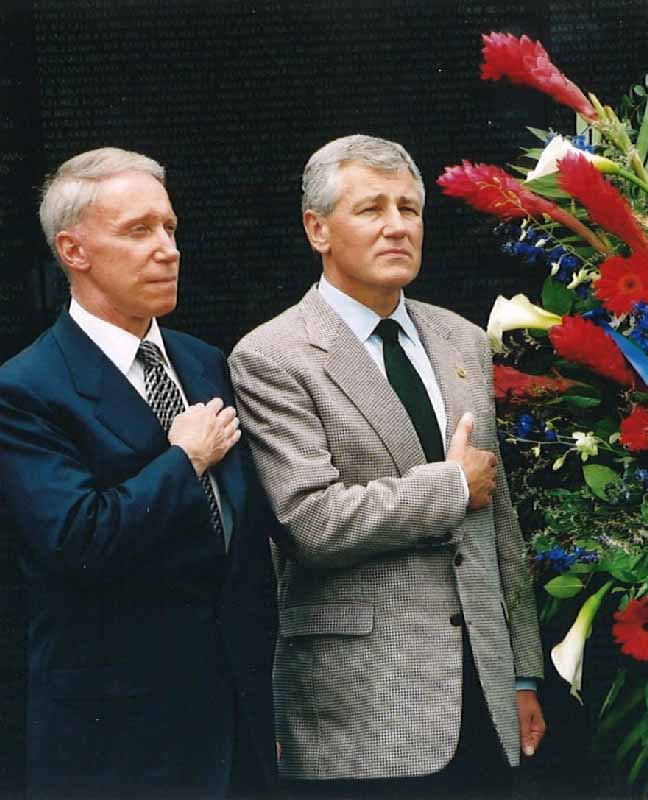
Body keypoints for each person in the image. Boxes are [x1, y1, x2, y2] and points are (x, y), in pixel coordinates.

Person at [229, 134, 544, 798]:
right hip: (361, 711)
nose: (397, 225)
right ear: (318, 229)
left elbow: (500, 518)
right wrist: (451, 487)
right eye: (371, 209)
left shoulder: (462, 338)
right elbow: (310, 521)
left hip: (482, 697)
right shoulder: (272, 356)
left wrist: (520, 672)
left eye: (410, 208)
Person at [0, 148, 278, 799]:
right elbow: (76, 540)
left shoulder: (205, 362)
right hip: (120, 744)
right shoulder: (26, 389)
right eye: (138, 231)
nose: (167, 249)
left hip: (235, 727)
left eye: (170, 228)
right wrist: (184, 461)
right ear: (74, 250)